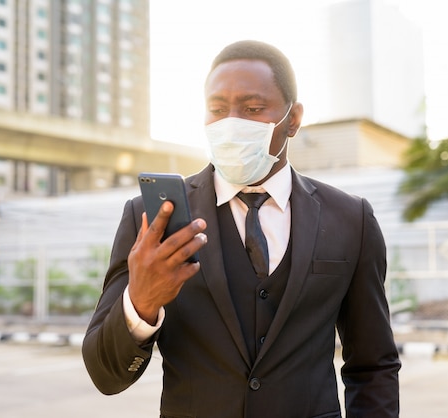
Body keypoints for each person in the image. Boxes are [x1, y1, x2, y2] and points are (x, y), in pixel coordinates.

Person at [82, 40, 400, 417]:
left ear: (293, 119)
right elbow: (106, 375)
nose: (231, 123)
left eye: (252, 109)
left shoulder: (350, 218)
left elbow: (373, 366)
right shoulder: (151, 218)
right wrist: (141, 303)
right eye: (217, 109)